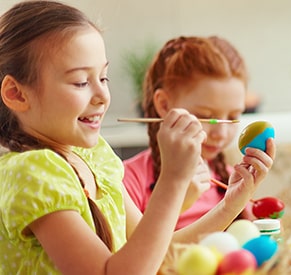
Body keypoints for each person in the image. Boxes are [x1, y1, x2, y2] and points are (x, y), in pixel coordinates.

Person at [0, 1, 274, 274]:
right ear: (16, 93)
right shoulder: (32, 172)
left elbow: (158, 256)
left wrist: (231, 204)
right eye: (81, 81)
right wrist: (173, 179)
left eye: (103, 78)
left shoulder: (96, 158)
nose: (102, 96)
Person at [123, 35, 256, 230]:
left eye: (233, 117)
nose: (221, 133)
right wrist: (176, 200)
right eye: (205, 116)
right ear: (164, 104)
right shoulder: (129, 181)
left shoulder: (229, 178)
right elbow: (132, 256)